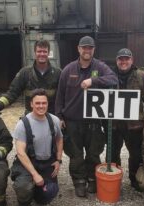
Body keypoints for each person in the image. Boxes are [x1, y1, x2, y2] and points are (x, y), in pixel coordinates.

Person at [55, 35, 118, 197]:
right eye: (84, 47)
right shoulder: (68, 70)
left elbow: (113, 79)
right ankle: (79, 182)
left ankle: (92, 179)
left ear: (93, 50)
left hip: (93, 121)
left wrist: (93, 81)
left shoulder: (100, 66)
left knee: (93, 153)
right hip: (72, 121)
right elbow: (59, 95)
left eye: (90, 48)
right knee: (76, 155)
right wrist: (59, 117)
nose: (87, 50)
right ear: (79, 49)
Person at [110, 48, 144, 190]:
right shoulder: (109, 76)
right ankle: (114, 177)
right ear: (117, 61)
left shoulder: (141, 76)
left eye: (127, 59)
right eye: (121, 59)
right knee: (113, 154)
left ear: (132, 60)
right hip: (115, 124)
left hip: (135, 125)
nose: (123, 61)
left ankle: (134, 178)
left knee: (136, 154)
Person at [11, 89, 63, 206]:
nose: (41, 106)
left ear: (47, 104)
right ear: (31, 104)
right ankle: (23, 202)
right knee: (24, 187)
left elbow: (59, 139)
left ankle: (36, 191)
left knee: (48, 195)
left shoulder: (54, 120)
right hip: (27, 163)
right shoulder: (23, 124)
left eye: (43, 103)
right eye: (37, 103)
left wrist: (58, 160)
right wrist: (35, 175)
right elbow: (20, 153)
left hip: (46, 162)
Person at [0, 40, 61, 115]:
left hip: (51, 116)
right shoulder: (25, 73)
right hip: (30, 117)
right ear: (35, 53)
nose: (42, 54)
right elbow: (12, 93)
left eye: (44, 51)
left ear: (48, 53)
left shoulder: (57, 73)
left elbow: (63, 96)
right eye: (39, 51)